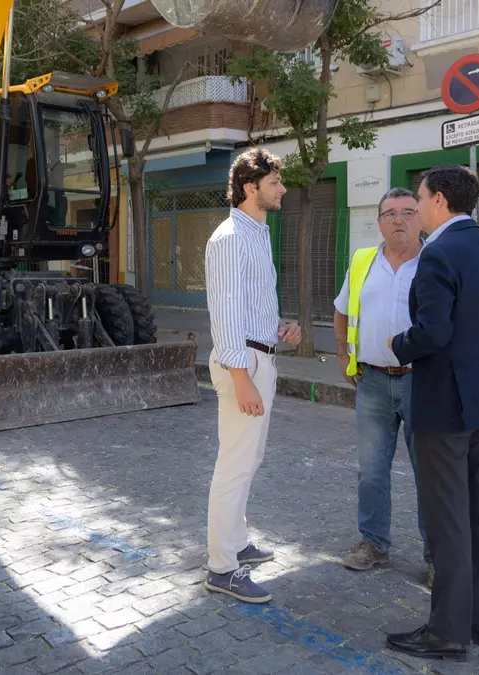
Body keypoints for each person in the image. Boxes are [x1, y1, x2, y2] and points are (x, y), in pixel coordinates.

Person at [384, 165, 479, 661]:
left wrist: (398, 344)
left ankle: (446, 632)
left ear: (439, 200)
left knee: (447, 522)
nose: (415, 209)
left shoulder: (438, 252)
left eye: (418, 199)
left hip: (445, 403)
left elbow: (432, 333)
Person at [203, 148, 302, 604]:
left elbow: (248, 304)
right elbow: (224, 315)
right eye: (275, 182)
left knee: (248, 460)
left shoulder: (257, 233)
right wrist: (241, 377)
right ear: (250, 188)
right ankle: (222, 567)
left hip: (260, 357)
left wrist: (278, 330)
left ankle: (238, 541)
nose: (282, 189)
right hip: (242, 363)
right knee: (234, 466)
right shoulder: (229, 238)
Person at [332, 188, 432, 582]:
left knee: (430, 473)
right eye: (389, 214)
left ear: (421, 219)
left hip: (421, 382)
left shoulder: (433, 262)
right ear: (379, 222)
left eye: (408, 212)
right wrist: (342, 355)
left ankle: (437, 555)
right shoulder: (363, 262)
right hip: (372, 381)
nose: (399, 220)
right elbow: (341, 309)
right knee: (371, 471)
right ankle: (373, 543)